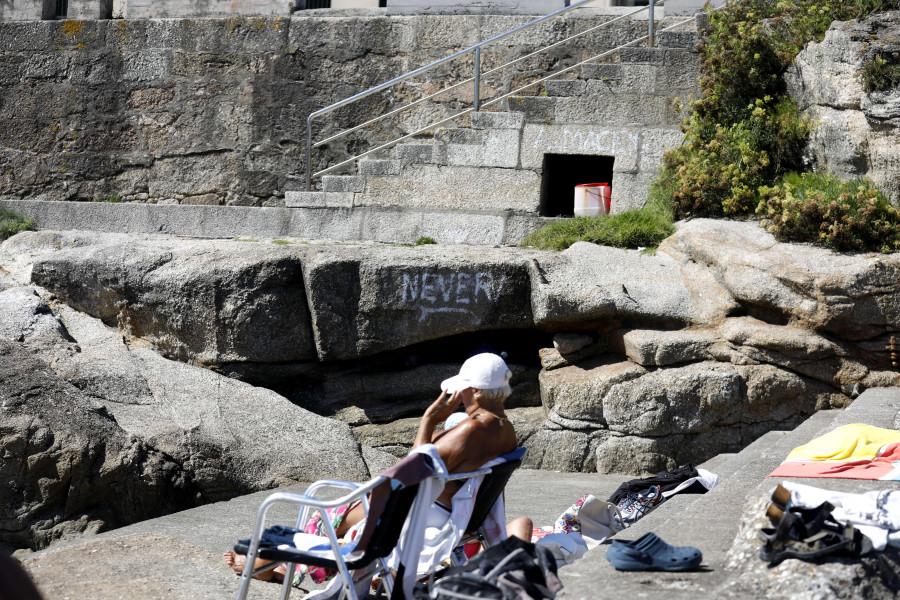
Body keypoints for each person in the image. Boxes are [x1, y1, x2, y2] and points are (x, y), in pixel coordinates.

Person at [224, 352, 532, 583]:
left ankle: (272, 566)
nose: (459, 395)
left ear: (477, 391)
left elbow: (411, 468)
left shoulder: (470, 431)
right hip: (456, 514)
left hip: (419, 511)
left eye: (464, 390)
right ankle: (282, 565)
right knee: (347, 513)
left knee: (329, 516)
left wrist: (429, 419)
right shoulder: (506, 430)